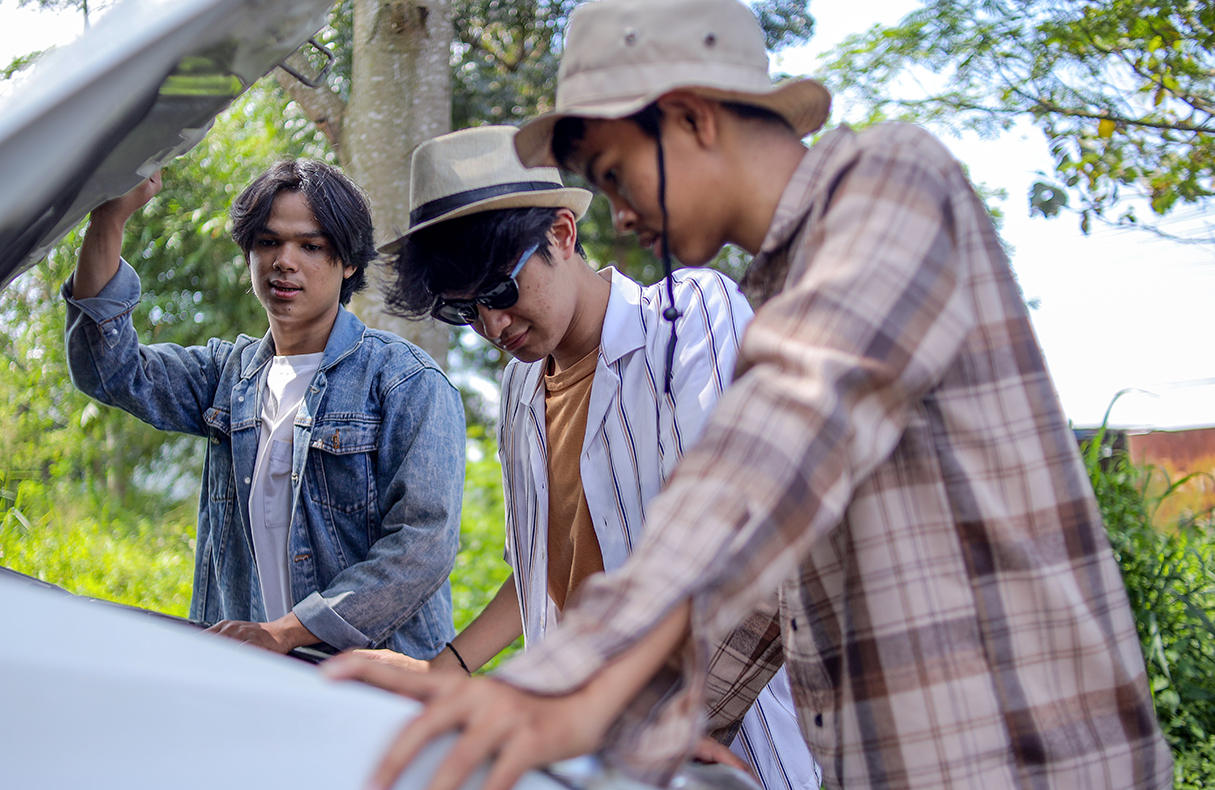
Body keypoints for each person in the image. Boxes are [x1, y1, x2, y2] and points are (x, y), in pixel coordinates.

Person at [325, 1, 1173, 789]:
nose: (619, 218)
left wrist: (562, 687)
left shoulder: (892, 178)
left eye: (618, 174)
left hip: (1031, 755)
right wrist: (636, 734)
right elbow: (769, 585)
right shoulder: (782, 292)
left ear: (693, 116)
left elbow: (756, 465)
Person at [364, 125, 819, 789]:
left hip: (716, 740)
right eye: (466, 312)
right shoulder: (521, 387)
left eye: (498, 291)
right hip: (584, 745)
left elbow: (750, 540)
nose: (493, 327)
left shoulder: (690, 316)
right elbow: (543, 565)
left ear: (562, 235)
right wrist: (449, 668)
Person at [64, 159, 465, 661]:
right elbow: (108, 369)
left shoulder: (405, 381)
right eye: (268, 242)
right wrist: (108, 218)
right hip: (258, 674)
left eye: (311, 245)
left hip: (378, 683)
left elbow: (421, 546)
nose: (284, 261)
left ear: (349, 264)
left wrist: (288, 631)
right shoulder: (227, 376)